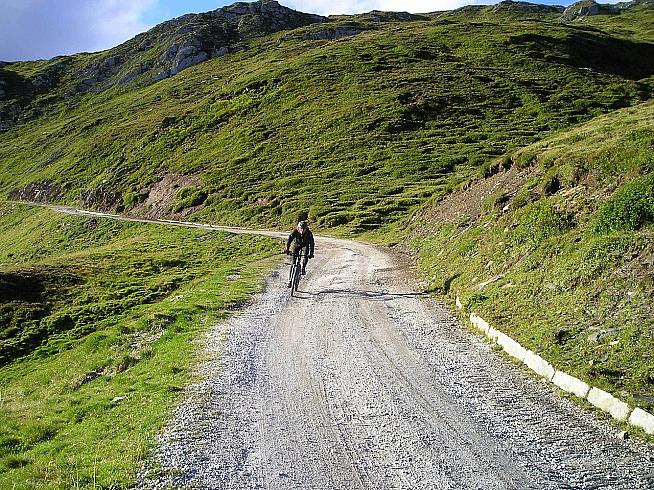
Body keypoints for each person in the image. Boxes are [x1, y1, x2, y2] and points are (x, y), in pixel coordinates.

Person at [285, 220, 315, 286]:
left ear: (306, 228)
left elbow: (312, 243)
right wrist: (287, 249)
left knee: (305, 255)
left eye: (304, 229)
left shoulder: (309, 233)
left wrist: (311, 253)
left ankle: (303, 268)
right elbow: (289, 240)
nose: (302, 230)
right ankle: (290, 280)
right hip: (297, 245)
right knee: (293, 262)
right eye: (301, 228)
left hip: (305, 245)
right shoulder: (295, 231)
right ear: (298, 228)